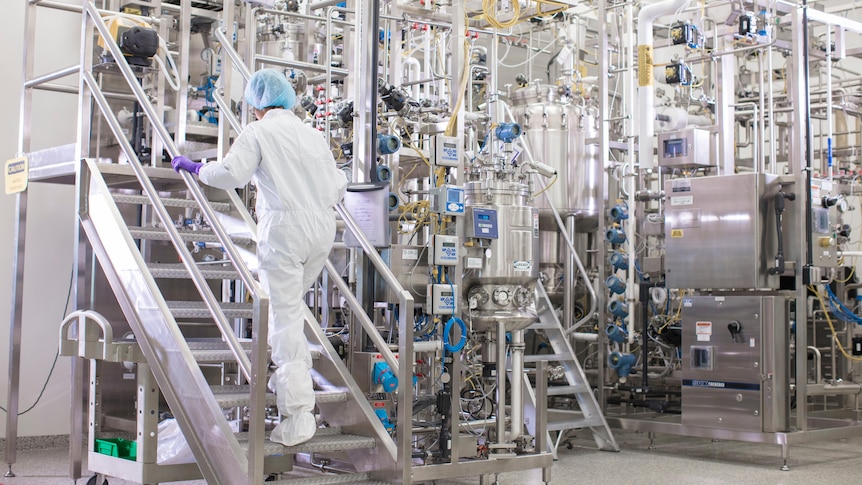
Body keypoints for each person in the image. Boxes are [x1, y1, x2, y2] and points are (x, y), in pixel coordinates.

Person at [171, 68, 348, 446]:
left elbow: (232, 174)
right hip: (322, 228)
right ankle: (282, 378)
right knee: (290, 308)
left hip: (285, 230)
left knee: (284, 318)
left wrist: (197, 168)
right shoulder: (313, 134)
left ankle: (298, 416)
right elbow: (338, 183)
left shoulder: (258, 132)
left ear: (255, 107)